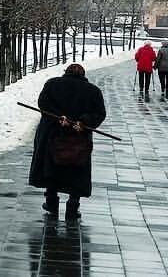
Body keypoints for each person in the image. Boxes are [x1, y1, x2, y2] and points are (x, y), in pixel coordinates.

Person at [28, 63, 107, 222]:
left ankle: (51, 202)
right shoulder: (93, 91)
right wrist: (83, 123)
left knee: (51, 168)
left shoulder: (52, 84)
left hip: (52, 134)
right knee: (76, 168)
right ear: (83, 75)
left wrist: (58, 117)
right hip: (79, 138)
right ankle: (73, 204)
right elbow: (99, 113)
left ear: (66, 73)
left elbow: (43, 104)